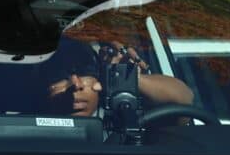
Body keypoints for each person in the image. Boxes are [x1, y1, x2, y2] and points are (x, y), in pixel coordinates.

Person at [46, 39, 194, 118]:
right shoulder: (23, 127)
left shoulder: (125, 115)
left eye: (84, 73)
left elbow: (184, 100)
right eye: (61, 78)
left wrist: (127, 77)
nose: (75, 86)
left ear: (100, 83)